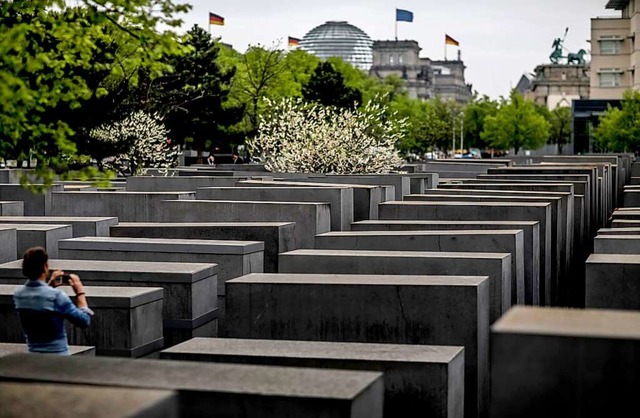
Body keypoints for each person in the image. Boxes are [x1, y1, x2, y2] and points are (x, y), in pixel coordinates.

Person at [13, 247, 93, 355]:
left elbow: (39, 299)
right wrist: (80, 293)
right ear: (45, 267)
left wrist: (50, 285)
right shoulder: (56, 296)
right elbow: (84, 321)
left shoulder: (19, 295)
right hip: (58, 358)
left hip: (33, 357)